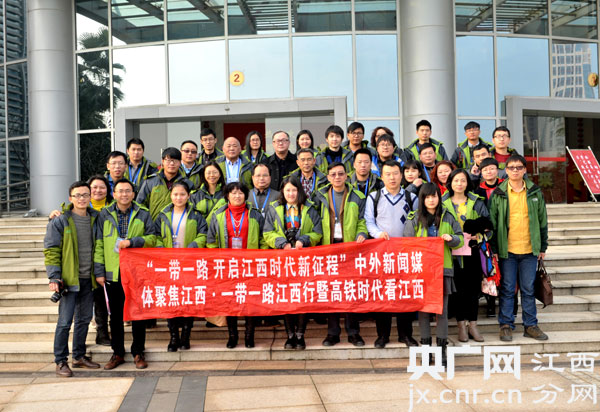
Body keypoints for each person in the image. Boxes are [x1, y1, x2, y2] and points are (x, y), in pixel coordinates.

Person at [94, 179, 157, 370]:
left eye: (128, 191)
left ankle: (138, 352)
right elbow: (99, 244)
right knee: (115, 316)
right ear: (114, 194)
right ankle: (118, 353)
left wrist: (132, 242)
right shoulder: (105, 214)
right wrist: (99, 270)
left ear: (133, 194)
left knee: (138, 313)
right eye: (120, 191)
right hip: (113, 272)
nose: (124, 194)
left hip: (137, 272)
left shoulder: (143, 213)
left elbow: (152, 239)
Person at [490, 154, 549, 342]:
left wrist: (543, 246)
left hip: (530, 250)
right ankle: (506, 325)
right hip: (506, 250)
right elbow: (493, 223)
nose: (515, 170)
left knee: (528, 289)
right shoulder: (499, 194)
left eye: (519, 167)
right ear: (506, 170)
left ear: (524, 170)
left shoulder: (534, 192)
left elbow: (542, 220)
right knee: (508, 289)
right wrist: (494, 249)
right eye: (511, 167)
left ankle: (530, 325)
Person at [44, 181, 101, 377]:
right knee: (65, 322)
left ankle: (78, 356)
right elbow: (52, 250)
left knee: (84, 320)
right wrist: (54, 276)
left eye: (85, 195)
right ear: (70, 198)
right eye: (77, 195)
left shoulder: (96, 218)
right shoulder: (60, 221)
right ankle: (60, 361)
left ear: (90, 197)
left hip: (88, 279)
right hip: (69, 280)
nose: (82, 199)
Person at [404, 183, 463, 367]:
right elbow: (406, 243)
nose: (431, 200)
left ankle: (442, 349)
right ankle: (426, 349)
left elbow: (460, 239)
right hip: (421, 271)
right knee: (423, 311)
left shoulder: (448, 216)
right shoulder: (414, 217)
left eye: (434, 196)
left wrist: (451, 239)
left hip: (443, 270)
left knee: (441, 311)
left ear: (439, 197)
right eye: (427, 197)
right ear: (422, 199)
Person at [263, 176, 323, 349]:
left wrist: (304, 240)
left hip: (304, 259)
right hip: (283, 259)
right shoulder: (274, 208)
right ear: (282, 191)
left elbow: (318, 232)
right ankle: (289, 335)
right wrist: (281, 242)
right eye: (287, 190)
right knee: (286, 296)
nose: (291, 194)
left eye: (294, 190)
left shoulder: (309, 208)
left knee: (303, 296)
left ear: (299, 191)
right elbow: (267, 232)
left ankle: (300, 334)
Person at [206, 182, 268, 348]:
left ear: (246, 196)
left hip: (250, 264)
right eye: (233, 193)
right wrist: (218, 258)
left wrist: (259, 257)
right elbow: (211, 240)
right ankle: (232, 335)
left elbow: (264, 238)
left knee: (250, 300)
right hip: (227, 266)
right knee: (230, 299)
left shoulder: (255, 214)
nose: (237, 196)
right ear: (227, 196)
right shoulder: (218, 215)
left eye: (240, 193)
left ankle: (249, 335)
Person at [365, 160, 418, 349]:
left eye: (395, 173)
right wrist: (378, 234)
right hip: (383, 253)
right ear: (381, 176)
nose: (392, 177)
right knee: (383, 293)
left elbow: (418, 221)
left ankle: (405, 334)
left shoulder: (412, 197)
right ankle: (383, 335)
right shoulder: (374, 197)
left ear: (401, 175)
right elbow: (369, 221)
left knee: (405, 293)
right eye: (387, 174)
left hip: (405, 254)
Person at [314, 162, 368, 347]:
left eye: (340, 174)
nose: (337, 177)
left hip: (350, 249)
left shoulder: (357, 196)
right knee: (332, 291)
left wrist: (362, 233)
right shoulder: (319, 196)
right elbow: (314, 221)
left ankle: (353, 333)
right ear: (328, 177)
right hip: (328, 249)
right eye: (333, 174)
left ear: (346, 176)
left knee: (350, 291)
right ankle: (333, 333)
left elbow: (362, 220)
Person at [155, 181, 208, 352]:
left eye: (182, 194)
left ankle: (186, 335)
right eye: (176, 194)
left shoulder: (196, 215)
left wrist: (192, 246)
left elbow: (203, 234)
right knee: (171, 299)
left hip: (189, 263)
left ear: (188, 196)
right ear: (170, 196)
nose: (179, 198)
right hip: (169, 264)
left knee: (188, 299)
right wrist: (161, 249)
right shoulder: (163, 215)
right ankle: (173, 336)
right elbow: (155, 236)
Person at [442, 169, 489, 343]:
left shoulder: (476, 201)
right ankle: (461, 325)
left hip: (473, 251)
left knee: (473, 290)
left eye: (463, 180)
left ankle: (473, 326)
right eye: (456, 180)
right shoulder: (443, 202)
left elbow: (488, 226)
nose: (459, 184)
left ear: (468, 183)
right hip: (450, 252)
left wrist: (480, 235)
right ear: (450, 183)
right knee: (458, 291)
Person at [474, 157, 505, 318]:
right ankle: (491, 304)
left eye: (492, 168)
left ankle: (509, 305)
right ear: (481, 172)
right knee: (488, 270)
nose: (489, 172)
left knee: (505, 271)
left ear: (497, 170)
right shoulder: (478, 191)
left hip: (505, 233)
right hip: (486, 236)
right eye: (485, 170)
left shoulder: (505, 187)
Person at [137, 147, 194, 220]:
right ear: (163, 161)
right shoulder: (151, 181)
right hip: (154, 225)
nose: (172, 163)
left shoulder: (187, 183)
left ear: (180, 162)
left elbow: (192, 206)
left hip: (179, 224)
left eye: (175, 160)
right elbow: (140, 204)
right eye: (168, 160)